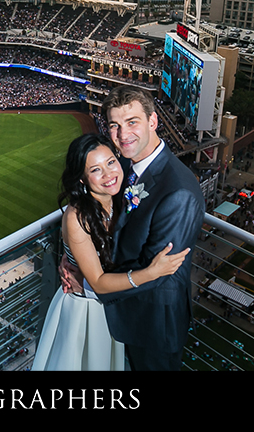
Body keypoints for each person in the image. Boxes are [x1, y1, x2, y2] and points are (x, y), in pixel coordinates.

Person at [63, 85, 203, 371]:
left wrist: (89, 284)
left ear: (153, 122)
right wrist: (73, 257)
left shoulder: (178, 192)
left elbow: (158, 273)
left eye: (132, 122)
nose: (123, 134)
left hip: (152, 323)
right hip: (123, 316)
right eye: (114, 125)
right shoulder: (126, 167)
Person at [33, 134, 189, 371]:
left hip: (113, 309)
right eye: (95, 170)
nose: (108, 174)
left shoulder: (123, 196)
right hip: (84, 311)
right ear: (83, 179)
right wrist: (152, 272)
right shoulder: (77, 217)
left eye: (111, 162)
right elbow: (98, 283)